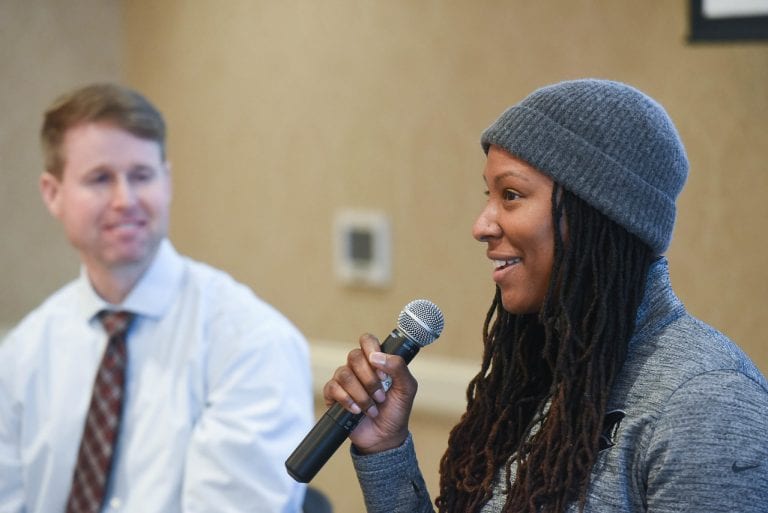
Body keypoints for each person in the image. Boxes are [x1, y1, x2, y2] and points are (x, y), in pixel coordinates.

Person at [322, 79, 768, 512]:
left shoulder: (707, 401)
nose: (481, 225)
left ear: (596, 214)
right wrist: (385, 447)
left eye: (512, 195)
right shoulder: (540, 373)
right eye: (489, 195)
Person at [0, 83, 314, 513]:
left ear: (166, 181)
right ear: (53, 194)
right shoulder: (22, 354)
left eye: (141, 176)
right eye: (100, 179)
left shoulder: (252, 342)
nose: (124, 200)